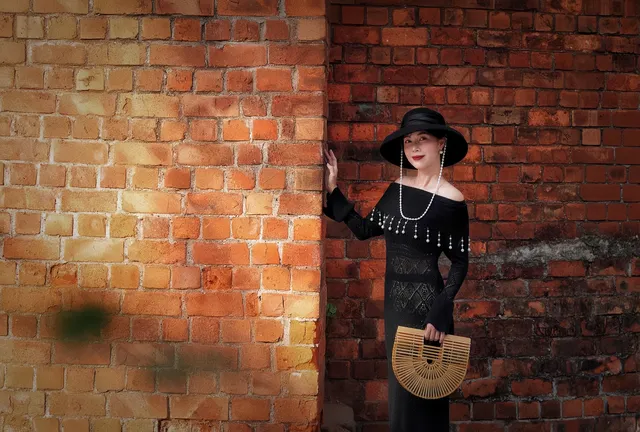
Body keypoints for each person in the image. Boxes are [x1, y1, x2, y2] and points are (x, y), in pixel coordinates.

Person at [323, 107, 470, 431]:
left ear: (441, 143)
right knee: (401, 402)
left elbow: (460, 262)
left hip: (430, 313)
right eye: (408, 141)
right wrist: (334, 190)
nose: (414, 147)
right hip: (397, 309)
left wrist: (442, 309)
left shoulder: (453, 199)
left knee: (427, 402)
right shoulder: (397, 189)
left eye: (423, 139)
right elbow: (364, 229)